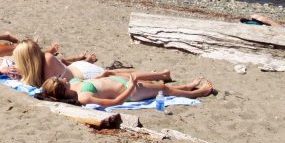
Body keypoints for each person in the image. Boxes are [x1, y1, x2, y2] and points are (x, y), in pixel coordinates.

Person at [41, 74, 214, 107]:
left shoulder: (73, 83)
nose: (63, 78)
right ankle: (197, 93)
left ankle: (185, 87)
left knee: (161, 86)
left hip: (119, 81)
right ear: (62, 88)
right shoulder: (84, 97)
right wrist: (130, 87)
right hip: (128, 91)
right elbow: (115, 102)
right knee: (162, 89)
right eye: (59, 80)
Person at [13, 40, 101, 87]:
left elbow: (48, 87)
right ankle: (84, 59)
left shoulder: (48, 59)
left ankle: (86, 60)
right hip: (74, 69)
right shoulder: (37, 64)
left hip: (85, 73)